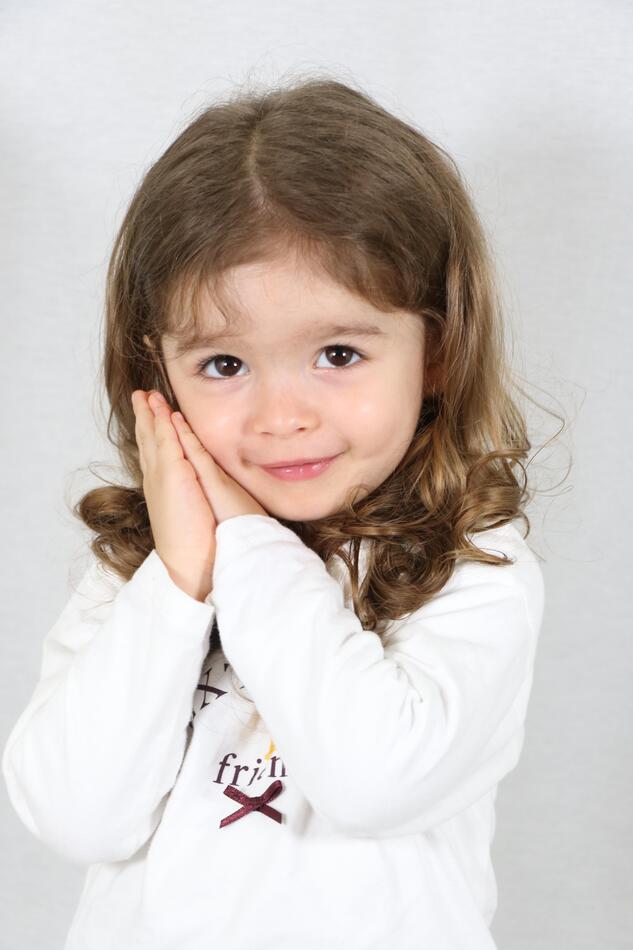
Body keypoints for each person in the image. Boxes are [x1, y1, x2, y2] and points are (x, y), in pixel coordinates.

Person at [2, 75, 547, 950]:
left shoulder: (471, 563)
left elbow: (374, 780)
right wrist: (177, 584)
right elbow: (75, 816)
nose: (280, 416)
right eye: (224, 365)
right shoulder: (146, 571)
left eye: (337, 353)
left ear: (437, 351)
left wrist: (249, 545)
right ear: (157, 376)